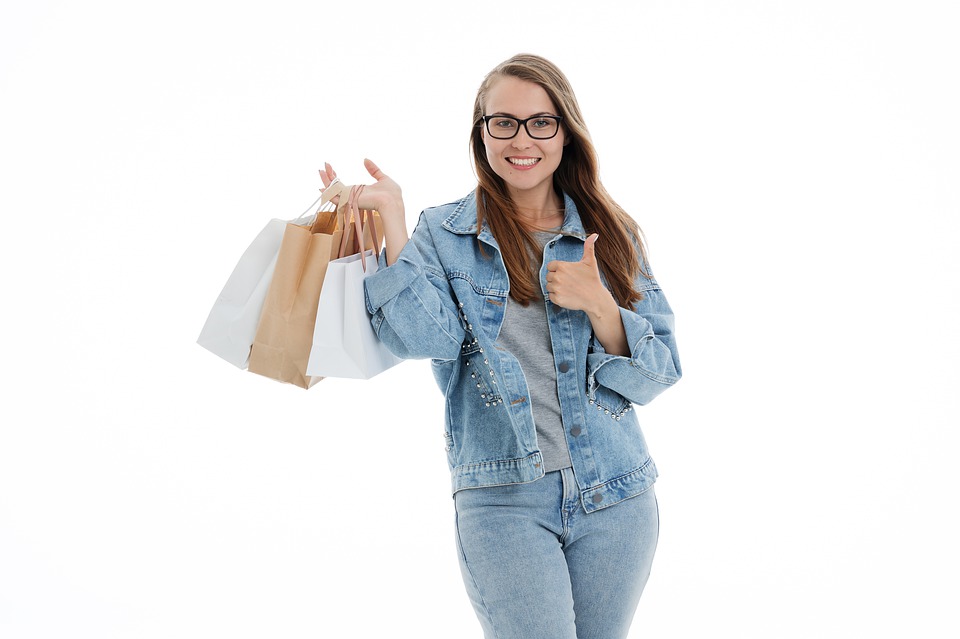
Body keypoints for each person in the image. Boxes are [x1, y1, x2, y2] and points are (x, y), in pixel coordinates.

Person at [320, 53, 681, 639]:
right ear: (481, 132)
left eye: (541, 122)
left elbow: (658, 372)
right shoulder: (444, 234)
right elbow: (421, 339)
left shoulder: (611, 233)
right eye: (503, 122)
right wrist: (392, 221)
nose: (522, 139)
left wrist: (600, 303)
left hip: (616, 494)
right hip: (503, 500)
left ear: (566, 131)